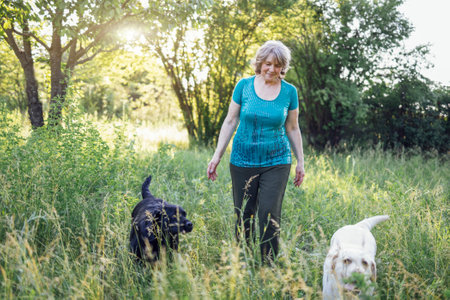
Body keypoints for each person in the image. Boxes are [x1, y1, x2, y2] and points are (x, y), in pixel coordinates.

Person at [207, 40, 305, 263]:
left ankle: (268, 267)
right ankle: (241, 263)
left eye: (277, 65)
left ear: (283, 68)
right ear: (260, 63)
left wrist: (300, 161)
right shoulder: (244, 86)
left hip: (277, 161)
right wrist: (217, 156)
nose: (272, 69)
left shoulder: (289, 92)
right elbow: (230, 120)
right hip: (242, 160)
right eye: (268, 63)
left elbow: (292, 127)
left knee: (269, 214)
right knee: (243, 214)